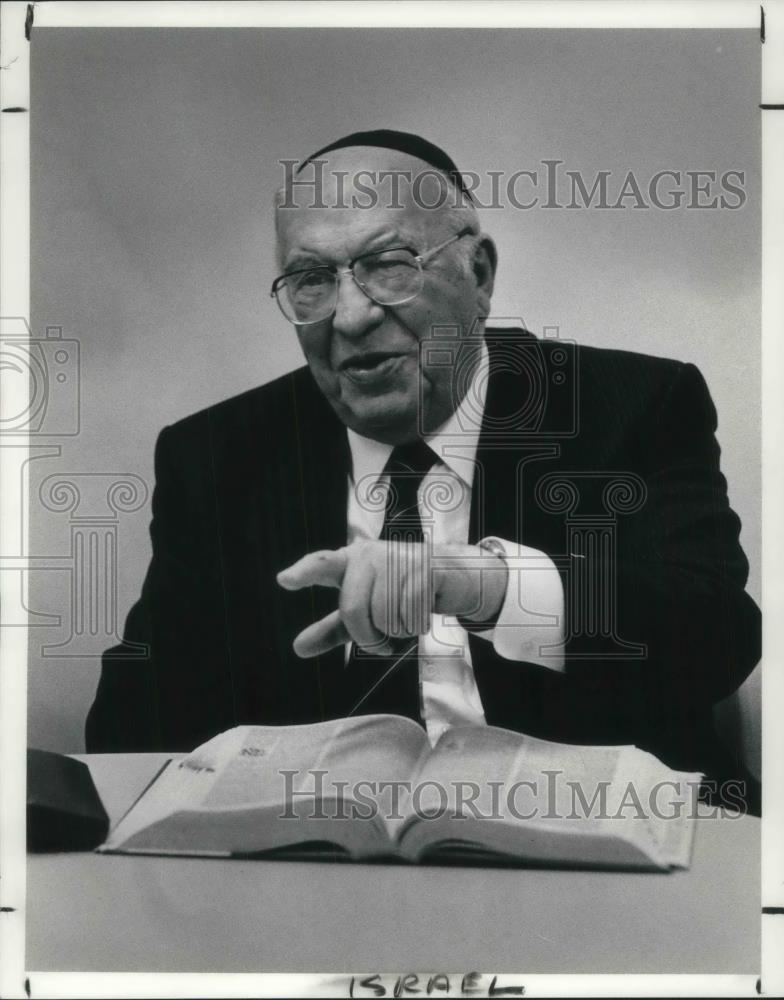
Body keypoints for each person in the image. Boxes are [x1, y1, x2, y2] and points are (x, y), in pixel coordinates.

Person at [86, 130, 760, 806]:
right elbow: (133, 728)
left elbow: (718, 638)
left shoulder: (632, 407)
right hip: (313, 869)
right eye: (312, 280)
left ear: (480, 275)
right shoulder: (216, 456)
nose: (350, 317)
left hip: (597, 851)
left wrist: (485, 586)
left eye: (390, 264)